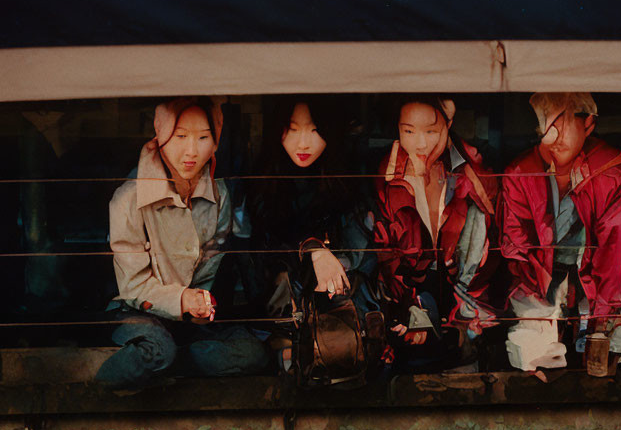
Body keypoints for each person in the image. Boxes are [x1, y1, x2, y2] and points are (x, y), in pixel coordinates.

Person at [95, 97, 269, 389]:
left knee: (255, 352)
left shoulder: (219, 194)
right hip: (137, 313)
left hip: (189, 323)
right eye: (180, 137)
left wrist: (202, 304)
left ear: (215, 142)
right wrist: (181, 300)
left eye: (203, 138)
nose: (191, 151)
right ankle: (103, 387)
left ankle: (168, 367)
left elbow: (212, 262)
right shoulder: (129, 198)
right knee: (158, 349)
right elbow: (133, 286)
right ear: (161, 137)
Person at [500, 92, 621, 372]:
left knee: (602, 362)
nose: (553, 136)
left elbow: (614, 257)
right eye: (545, 124)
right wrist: (536, 322)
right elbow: (519, 254)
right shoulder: (519, 174)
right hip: (542, 285)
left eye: (563, 122)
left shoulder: (611, 174)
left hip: (596, 287)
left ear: (588, 124)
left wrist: (603, 324)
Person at [245, 96, 380, 376]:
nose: (303, 143)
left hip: (336, 323)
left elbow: (361, 254)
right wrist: (312, 250)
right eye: (292, 129)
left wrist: (333, 265)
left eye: (315, 130)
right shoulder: (264, 181)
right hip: (279, 324)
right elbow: (259, 259)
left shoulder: (347, 179)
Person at [373, 96, 500, 370]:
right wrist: (410, 308)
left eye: (431, 131)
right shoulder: (386, 178)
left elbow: (489, 251)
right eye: (408, 131)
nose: (420, 143)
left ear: (448, 124)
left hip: (462, 309)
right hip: (406, 309)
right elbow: (384, 254)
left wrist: (466, 312)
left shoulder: (472, 176)